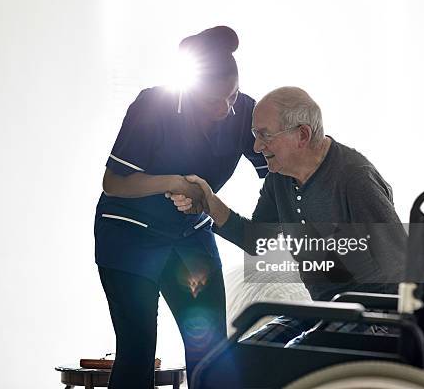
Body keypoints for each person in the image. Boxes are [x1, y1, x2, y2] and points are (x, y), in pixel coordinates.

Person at [94, 26, 268, 388]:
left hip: (191, 236)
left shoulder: (244, 111)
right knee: (137, 352)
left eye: (232, 96)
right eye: (213, 100)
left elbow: (275, 165)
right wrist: (174, 182)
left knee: (213, 354)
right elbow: (114, 182)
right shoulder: (152, 105)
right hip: (129, 237)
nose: (226, 108)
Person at [168, 86, 406, 346]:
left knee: (291, 357)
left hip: (372, 317)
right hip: (323, 309)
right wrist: (210, 203)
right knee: (246, 353)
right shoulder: (279, 177)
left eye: (265, 135)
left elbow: (398, 265)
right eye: (254, 135)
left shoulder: (355, 178)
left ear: (302, 134)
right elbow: (257, 241)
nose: (257, 146)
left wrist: (386, 326)